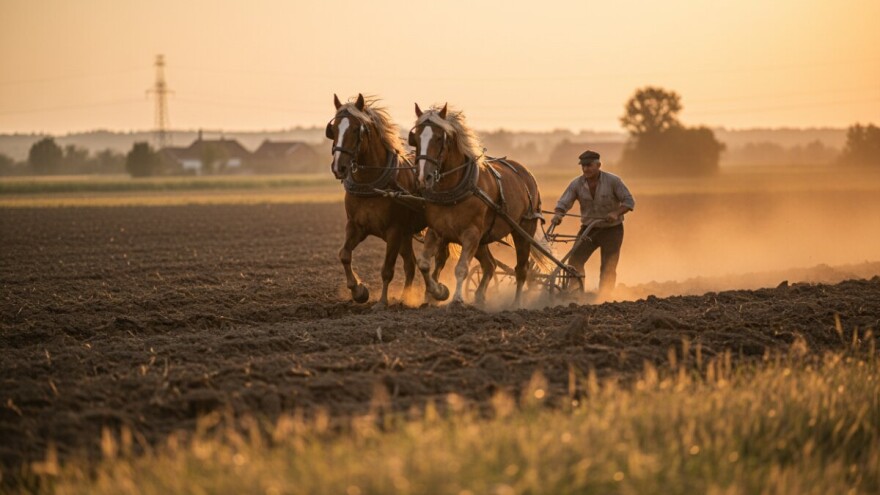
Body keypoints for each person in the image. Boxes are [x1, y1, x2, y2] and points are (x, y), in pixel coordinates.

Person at [550, 150, 634, 295]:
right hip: (588, 229)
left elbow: (629, 201)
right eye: (583, 166)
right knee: (575, 261)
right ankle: (575, 293)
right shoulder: (576, 183)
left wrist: (616, 213)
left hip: (612, 230)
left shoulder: (613, 181)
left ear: (599, 165)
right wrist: (558, 214)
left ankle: (605, 297)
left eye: (589, 165)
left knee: (608, 266)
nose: (585, 169)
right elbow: (564, 202)